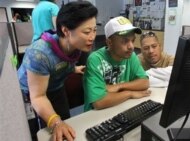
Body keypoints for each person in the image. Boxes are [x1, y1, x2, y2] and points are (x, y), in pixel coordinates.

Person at [17, 1, 98, 141]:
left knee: (65, 126)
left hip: (55, 86)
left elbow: (62, 60)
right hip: (32, 93)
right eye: (86, 32)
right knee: (42, 132)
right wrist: (55, 122)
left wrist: (73, 68)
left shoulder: (77, 45)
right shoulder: (40, 54)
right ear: (66, 31)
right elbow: (38, 97)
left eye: (95, 30)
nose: (92, 37)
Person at [83, 16, 151, 111]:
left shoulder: (131, 56)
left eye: (132, 40)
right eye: (125, 41)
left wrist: (119, 87)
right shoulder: (95, 60)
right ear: (109, 42)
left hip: (121, 107)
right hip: (95, 115)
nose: (131, 46)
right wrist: (129, 93)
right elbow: (99, 102)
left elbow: (144, 82)